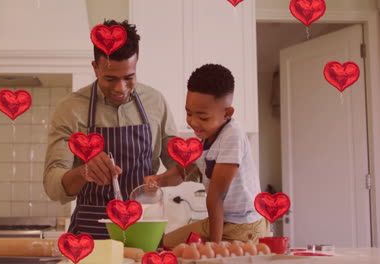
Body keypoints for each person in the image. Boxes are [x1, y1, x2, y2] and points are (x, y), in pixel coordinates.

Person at [43, 19, 178, 239]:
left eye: (129, 77)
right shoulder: (70, 108)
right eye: (110, 78)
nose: (120, 88)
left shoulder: (155, 102)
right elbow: (52, 184)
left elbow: (179, 168)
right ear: (95, 68)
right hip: (90, 235)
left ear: (136, 63)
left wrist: (164, 179)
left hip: (142, 230)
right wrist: (84, 171)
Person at [144, 64, 269, 247]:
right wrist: (159, 180)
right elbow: (182, 172)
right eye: (188, 113)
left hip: (244, 226)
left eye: (202, 117)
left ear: (227, 113)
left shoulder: (232, 136)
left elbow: (216, 195)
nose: (193, 123)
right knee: (165, 245)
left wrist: (215, 248)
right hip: (222, 221)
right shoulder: (206, 137)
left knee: (203, 256)